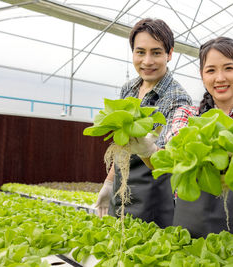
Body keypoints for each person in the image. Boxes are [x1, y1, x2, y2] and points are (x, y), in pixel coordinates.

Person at [166, 37, 233, 257]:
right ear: (201, 74)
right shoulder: (186, 115)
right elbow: (175, 149)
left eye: (228, 68)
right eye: (211, 70)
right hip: (194, 231)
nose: (220, 78)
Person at [95, 18, 192, 228]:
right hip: (121, 192)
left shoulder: (177, 98)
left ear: (170, 54)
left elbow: (170, 164)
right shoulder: (128, 89)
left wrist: (148, 151)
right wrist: (110, 182)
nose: (147, 61)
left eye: (156, 52)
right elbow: (121, 145)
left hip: (154, 200)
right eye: (140, 52)